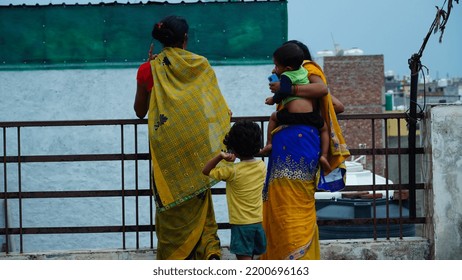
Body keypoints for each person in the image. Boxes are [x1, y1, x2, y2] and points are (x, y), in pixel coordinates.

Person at [133, 15, 231, 260]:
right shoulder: (200, 65)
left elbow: (140, 111)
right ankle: (206, 248)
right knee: (197, 190)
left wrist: (148, 70)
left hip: (166, 144)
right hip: (196, 142)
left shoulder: (149, 69)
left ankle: (174, 257)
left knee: (171, 197)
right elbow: (214, 108)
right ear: (185, 39)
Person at [260, 40, 349, 260]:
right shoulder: (298, 72)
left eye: (277, 65)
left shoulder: (307, 71)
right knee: (285, 199)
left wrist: (289, 90)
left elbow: (324, 93)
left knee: (295, 201)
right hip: (297, 143)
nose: (274, 69)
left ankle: (295, 259)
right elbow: (334, 105)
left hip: (298, 143)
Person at [260, 43, 331, 173]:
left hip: (292, 117)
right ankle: (324, 156)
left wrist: (273, 99)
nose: (274, 68)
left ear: (287, 67)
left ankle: (268, 143)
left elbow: (284, 92)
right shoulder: (304, 71)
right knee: (325, 129)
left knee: (273, 117)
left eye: (276, 65)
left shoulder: (287, 76)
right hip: (310, 116)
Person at [202, 120, 267, 260]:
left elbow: (206, 170)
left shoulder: (232, 171)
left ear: (233, 148)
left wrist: (221, 156)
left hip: (241, 225)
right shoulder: (261, 166)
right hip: (257, 222)